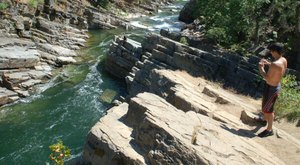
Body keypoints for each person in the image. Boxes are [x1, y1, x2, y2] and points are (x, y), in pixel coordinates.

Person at [256, 42, 287, 137]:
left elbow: (267, 78)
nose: (270, 53)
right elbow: (278, 69)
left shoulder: (274, 64)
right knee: (266, 107)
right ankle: (264, 120)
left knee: (269, 110)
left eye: (271, 51)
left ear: (275, 51)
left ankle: (269, 130)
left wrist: (261, 68)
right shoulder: (283, 60)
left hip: (271, 88)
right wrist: (269, 64)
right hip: (275, 86)